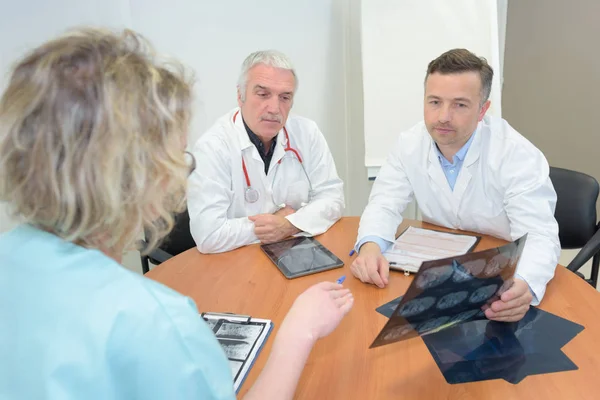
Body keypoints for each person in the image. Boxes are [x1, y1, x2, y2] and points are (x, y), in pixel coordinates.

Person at [0, 28, 353, 399]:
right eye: (174, 159)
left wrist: (286, 223)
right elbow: (212, 234)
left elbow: (332, 196)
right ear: (136, 175)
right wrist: (299, 332)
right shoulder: (158, 323)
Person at [351, 48, 560, 322]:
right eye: (434, 102)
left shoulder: (515, 154)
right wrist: (370, 246)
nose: (443, 117)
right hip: (438, 274)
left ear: (483, 109)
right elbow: (384, 204)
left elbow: (539, 235)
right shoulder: (409, 144)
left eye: (459, 104)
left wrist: (523, 284)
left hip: (495, 273)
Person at [187, 50, 345, 253]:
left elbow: (333, 198)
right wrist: (277, 224)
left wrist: (290, 224)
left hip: (292, 252)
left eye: (285, 97)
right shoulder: (213, 147)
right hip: (235, 261)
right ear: (240, 95)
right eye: (263, 94)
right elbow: (209, 235)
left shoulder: (307, 133)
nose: (274, 108)